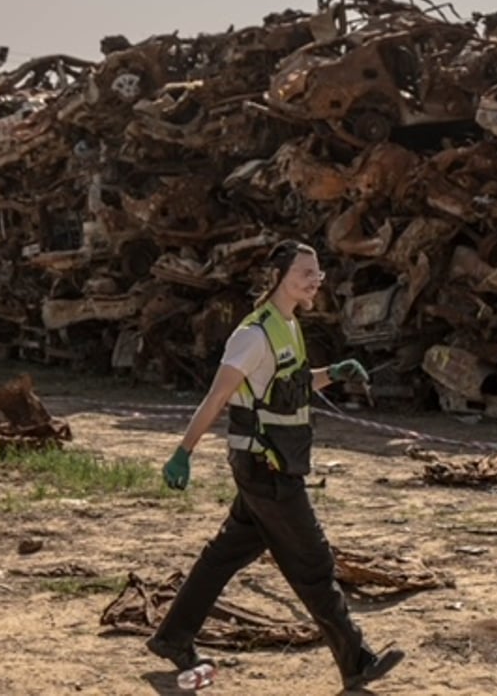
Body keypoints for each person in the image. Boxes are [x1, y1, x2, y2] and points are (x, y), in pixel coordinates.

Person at [146, 239, 405, 691]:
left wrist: (334, 373)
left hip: (272, 466)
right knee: (314, 564)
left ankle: (173, 638)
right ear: (280, 277)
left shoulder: (288, 325)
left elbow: (291, 384)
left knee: (223, 556)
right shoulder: (253, 334)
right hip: (265, 468)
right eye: (307, 272)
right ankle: (356, 660)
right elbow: (218, 396)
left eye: (318, 272)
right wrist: (184, 451)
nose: (316, 280)